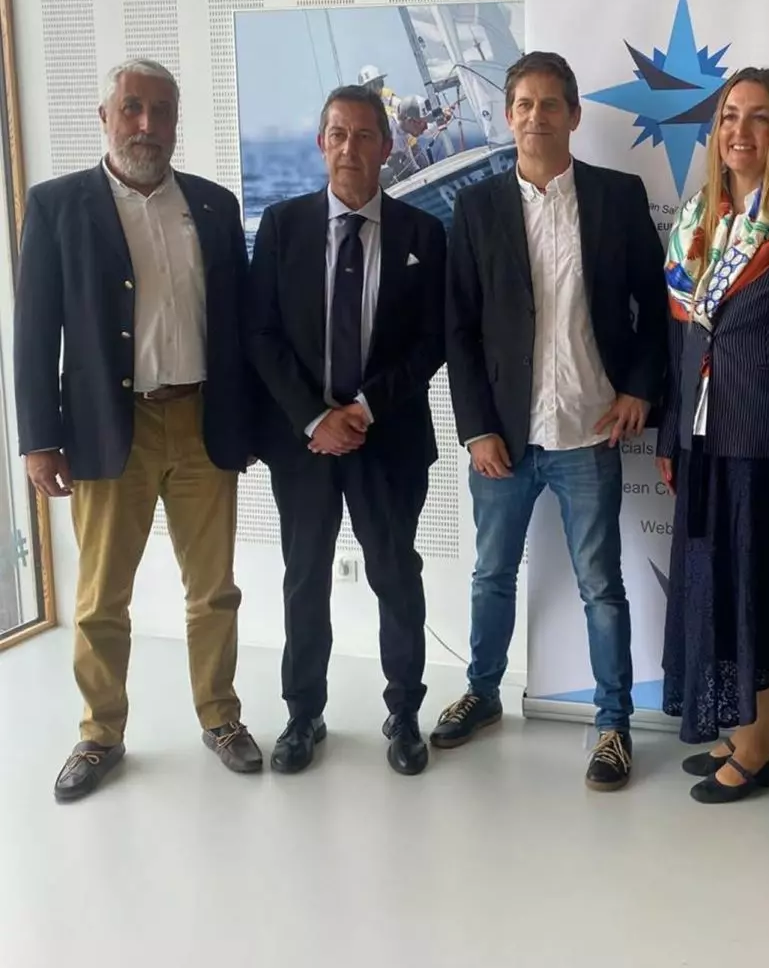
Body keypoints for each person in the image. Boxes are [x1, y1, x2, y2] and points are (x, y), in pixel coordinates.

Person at [14, 58, 262, 801]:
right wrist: (38, 439)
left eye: (161, 110)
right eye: (133, 108)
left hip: (202, 421)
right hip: (105, 428)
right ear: (106, 116)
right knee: (100, 597)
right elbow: (34, 333)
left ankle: (220, 717)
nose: (147, 125)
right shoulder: (56, 206)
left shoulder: (213, 207)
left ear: (177, 121)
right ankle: (100, 733)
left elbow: (240, 327)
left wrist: (252, 421)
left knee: (213, 590)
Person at [442, 51, 665, 791]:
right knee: (491, 575)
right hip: (504, 437)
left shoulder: (617, 198)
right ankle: (482, 693)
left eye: (549, 104)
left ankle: (613, 725)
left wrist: (639, 389)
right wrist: (476, 428)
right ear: (508, 116)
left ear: (573, 114)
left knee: (601, 585)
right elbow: (458, 329)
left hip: (589, 430)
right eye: (523, 104)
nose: (535, 116)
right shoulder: (476, 208)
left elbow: (655, 305)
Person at [248, 84, 446, 777]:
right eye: (337, 134)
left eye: (364, 135)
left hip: (387, 439)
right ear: (320, 144)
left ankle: (405, 713)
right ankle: (303, 713)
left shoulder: (423, 234)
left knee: (396, 574)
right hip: (303, 443)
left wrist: (363, 408)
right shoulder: (282, 226)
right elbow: (261, 334)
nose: (349, 148)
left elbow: (432, 341)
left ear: (387, 147)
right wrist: (314, 417)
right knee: (305, 577)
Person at [655, 67, 769, 803]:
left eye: (759, 118)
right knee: (711, 584)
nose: (740, 131)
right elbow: (683, 342)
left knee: (755, 586)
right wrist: (671, 431)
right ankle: (738, 727)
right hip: (702, 433)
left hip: (766, 438)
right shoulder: (701, 217)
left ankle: (760, 744)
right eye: (730, 116)